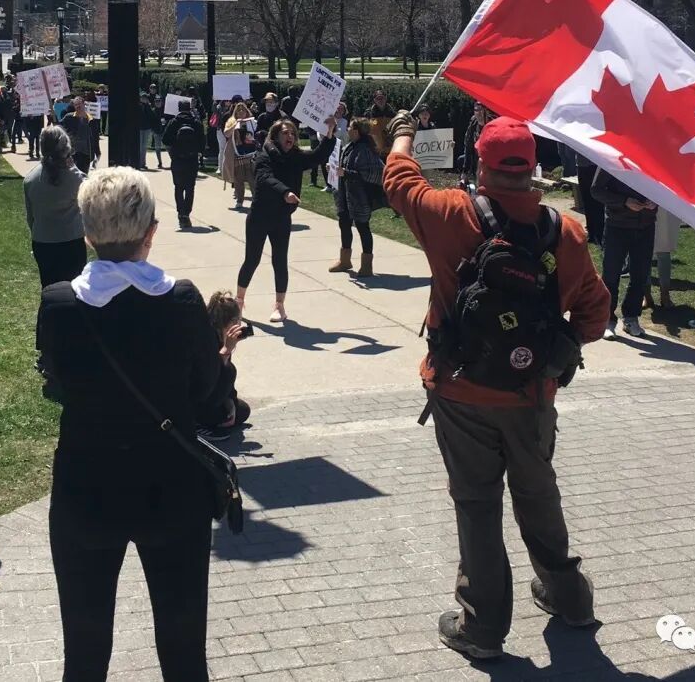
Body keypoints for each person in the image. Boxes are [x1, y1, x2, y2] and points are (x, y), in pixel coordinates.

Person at [383, 112, 609, 662]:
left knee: (477, 505)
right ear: (533, 169)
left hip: (461, 392)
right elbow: (596, 314)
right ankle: (569, 598)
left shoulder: (449, 213)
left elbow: (399, 179)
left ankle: (482, 628)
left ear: (480, 165)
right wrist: (552, 356)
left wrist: (403, 133)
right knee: (538, 494)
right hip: (532, 396)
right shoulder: (566, 232)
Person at [37, 167, 224, 681]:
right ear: (151, 232)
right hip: (172, 488)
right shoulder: (182, 300)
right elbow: (206, 396)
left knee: (84, 651)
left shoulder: (58, 303)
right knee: (184, 650)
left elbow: (59, 380)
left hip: (85, 489)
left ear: (87, 233)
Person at [236, 117, 337, 323]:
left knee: (280, 260)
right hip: (260, 216)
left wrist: (329, 134)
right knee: (252, 259)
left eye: (292, 133)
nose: (289, 136)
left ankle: (279, 305)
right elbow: (264, 178)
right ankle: (239, 302)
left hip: (281, 217)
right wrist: (285, 192)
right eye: (284, 133)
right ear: (276, 136)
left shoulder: (296, 156)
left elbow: (317, 156)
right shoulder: (264, 155)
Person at [591, 167, 657, 338]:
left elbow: (666, 188)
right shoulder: (612, 158)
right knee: (611, 274)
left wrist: (656, 201)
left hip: (646, 225)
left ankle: (631, 317)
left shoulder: (655, 160)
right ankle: (607, 319)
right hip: (617, 225)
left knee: (640, 274)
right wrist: (624, 201)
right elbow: (596, 190)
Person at [24, 126, 88, 288]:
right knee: (75, 289)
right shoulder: (76, 179)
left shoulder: (30, 179)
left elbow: (30, 218)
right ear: (66, 149)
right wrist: (74, 167)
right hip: (71, 242)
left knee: (48, 289)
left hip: (42, 242)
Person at [330, 117, 385, 277]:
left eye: (350, 127)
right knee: (344, 224)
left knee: (363, 227)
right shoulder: (349, 146)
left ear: (357, 131)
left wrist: (346, 173)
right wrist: (333, 168)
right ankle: (345, 261)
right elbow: (344, 166)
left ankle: (367, 266)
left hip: (360, 197)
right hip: (345, 194)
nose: (347, 129)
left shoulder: (365, 150)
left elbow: (371, 174)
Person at [196, 291, 252, 440]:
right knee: (229, 371)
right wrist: (226, 350)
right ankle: (198, 425)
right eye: (237, 320)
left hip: (212, 395)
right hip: (197, 398)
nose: (239, 325)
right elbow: (209, 375)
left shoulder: (222, 337)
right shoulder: (205, 339)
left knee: (242, 410)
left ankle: (215, 418)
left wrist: (230, 401)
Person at [163, 98, 205, 228]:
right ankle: (186, 213)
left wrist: (173, 150)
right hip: (192, 159)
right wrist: (198, 152)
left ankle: (181, 213)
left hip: (177, 159)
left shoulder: (174, 122)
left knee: (179, 187)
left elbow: (165, 140)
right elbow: (202, 141)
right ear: (190, 108)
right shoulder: (196, 122)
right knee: (190, 187)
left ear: (179, 109)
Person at [222, 102, 258, 210]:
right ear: (235, 112)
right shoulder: (231, 121)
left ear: (247, 111)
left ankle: (256, 199)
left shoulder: (252, 122)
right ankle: (239, 200)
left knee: (252, 178)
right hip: (237, 153)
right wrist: (235, 125)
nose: (241, 112)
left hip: (250, 154)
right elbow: (226, 133)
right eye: (238, 110)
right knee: (238, 179)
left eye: (243, 110)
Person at [646, 209, 680, 310]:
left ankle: (665, 295)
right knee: (644, 251)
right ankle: (646, 295)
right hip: (644, 207)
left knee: (664, 249)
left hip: (665, 208)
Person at [575, 152, 604, 247]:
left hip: (597, 166)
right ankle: (591, 233)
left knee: (598, 202)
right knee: (586, 200)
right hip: (582, 166)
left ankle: (600, 234)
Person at [61, 97, 95, 175]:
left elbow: (94, 138)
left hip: (86, 152)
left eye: (79, 104)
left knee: (84, 175)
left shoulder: (90, 119)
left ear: (84, 104)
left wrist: (95, 152)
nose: (78, 106)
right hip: (74, 152)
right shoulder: (69, 117)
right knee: (74, 175)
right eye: (76, 105)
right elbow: (59, 126)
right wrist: (52, 116)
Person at [460, 103, 488, 188]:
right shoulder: (473, 125)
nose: (479, 112)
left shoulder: (491, 124)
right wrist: (465, 171)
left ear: (485, 111)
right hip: (476, 160)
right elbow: (468, 147)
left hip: (489, 161)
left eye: (481, 109)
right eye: (476, 110)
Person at [139, 89, 165, 169]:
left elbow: (151, 116)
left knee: (144, 147)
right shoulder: (138, 106)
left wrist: (147, 106)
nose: (144, 99)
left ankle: (143, 163)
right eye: (143, 97)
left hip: (146, 128)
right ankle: (138, 162)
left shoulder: (148, 107)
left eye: (145, 98)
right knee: (139, 146)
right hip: (139, 128)